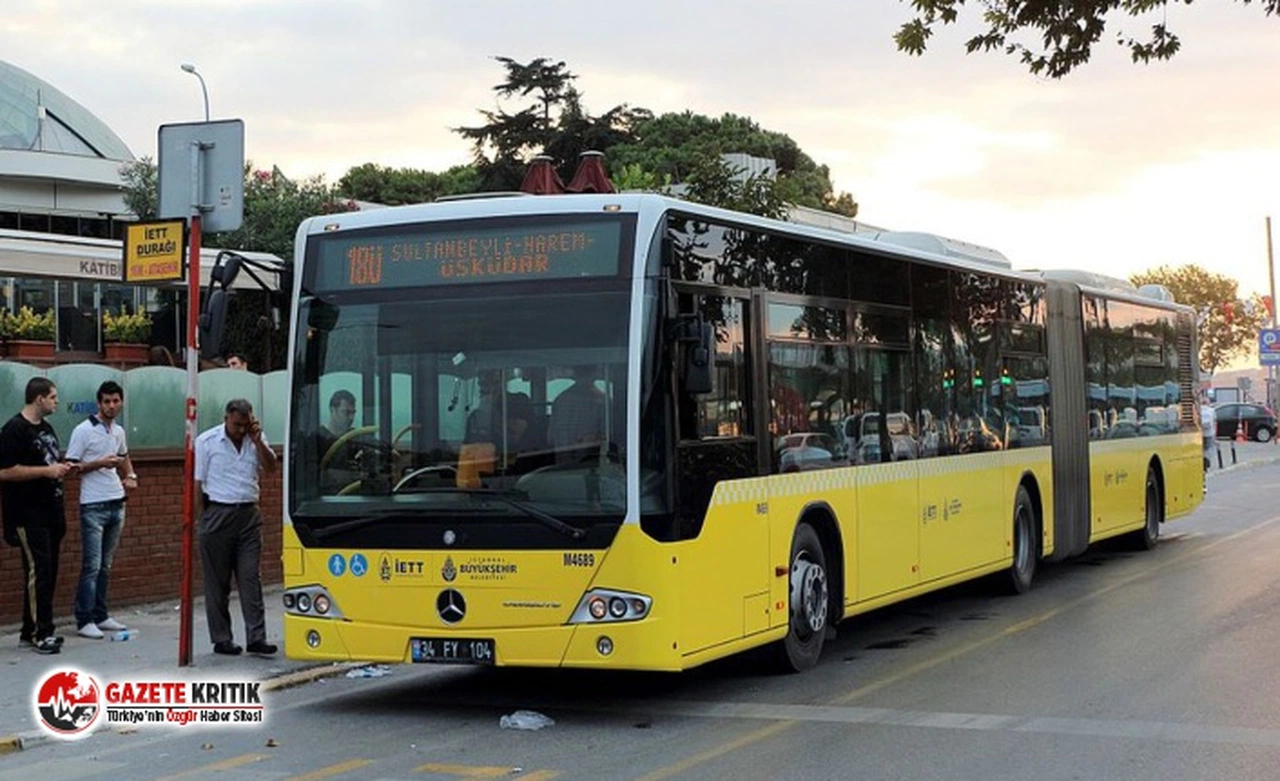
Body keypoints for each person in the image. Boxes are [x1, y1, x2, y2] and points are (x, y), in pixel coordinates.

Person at [195, 399, 278, 656]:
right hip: (218, 512)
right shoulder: (207, 442)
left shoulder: (256, 439)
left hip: (248, 515)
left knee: (250, 577)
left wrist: (258, 441)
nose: (241, 430)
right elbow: (197, 484)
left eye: (246, 424)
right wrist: (202, 520)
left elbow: (271, 468)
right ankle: (222, 639)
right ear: (226, 419)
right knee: (218, 583)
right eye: (237, 425)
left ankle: (257, 637)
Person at [0, 378, 74, 654]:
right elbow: (5, 471)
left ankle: (30, 629)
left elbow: (49, 462)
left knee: (49, 571)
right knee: (38, 571)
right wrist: (46, 471)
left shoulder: (46, 428)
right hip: (27, 513)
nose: (56, 401)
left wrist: (61, 468)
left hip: (51, 509)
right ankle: (40, 633)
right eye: (53, 397)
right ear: (39, 398)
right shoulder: (14, 429)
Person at [65, 381, 136, 640]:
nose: (111, 406)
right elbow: (71, 467)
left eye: (115, 401)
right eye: (106, 401)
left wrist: (131, 475)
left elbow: (124, 456)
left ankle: (101, 614)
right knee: (92, 566)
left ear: (121, 402)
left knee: (106, 565)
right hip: (93, 505)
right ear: (99, 403)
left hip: (117, 501)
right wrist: (99, 463)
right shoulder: (83, 430)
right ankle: (84, 619)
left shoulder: (118, 431)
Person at [549, 366, 607, 458]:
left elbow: (551, 436)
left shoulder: (560, 399)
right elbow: (608, 435)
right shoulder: (602, 401)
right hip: (590, 459)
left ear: (575, 373)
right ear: (595, 374)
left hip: (562, 457)